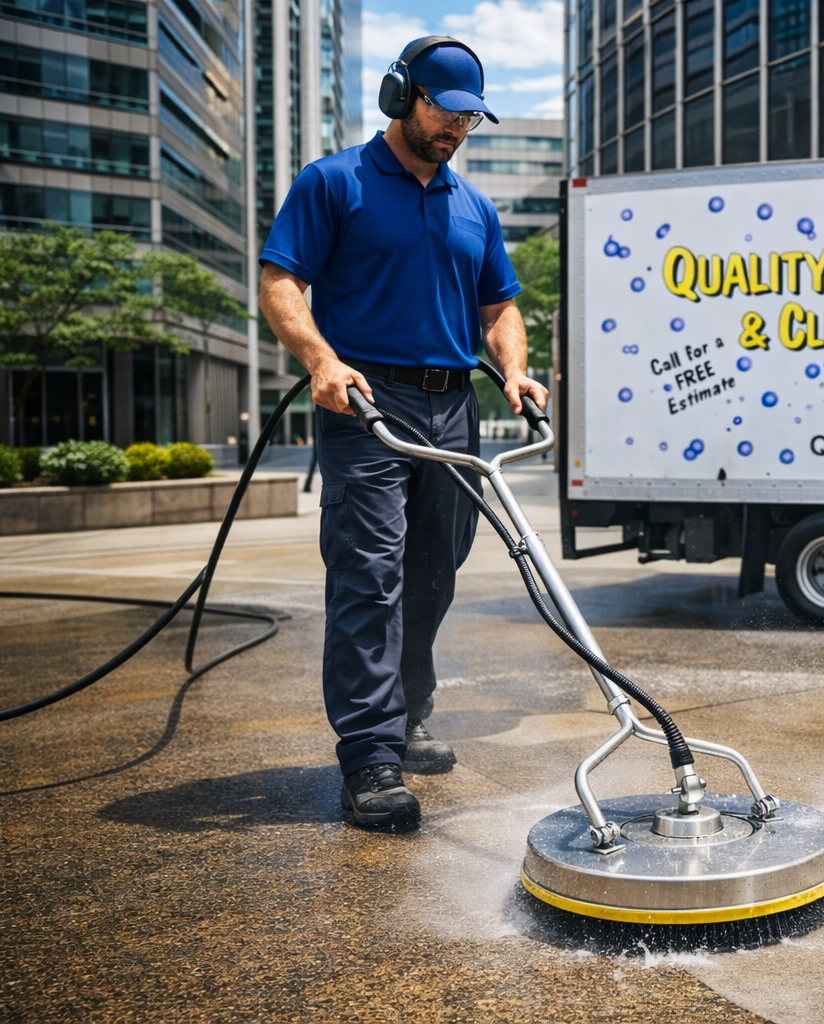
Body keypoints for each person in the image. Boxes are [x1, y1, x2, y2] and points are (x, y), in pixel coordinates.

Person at [258, 36, 547, 831]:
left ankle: (409, 712)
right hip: (365, 404)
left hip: (451, 407)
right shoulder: (334, 183)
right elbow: (281, 279)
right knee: (369, 575)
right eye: (446, 112)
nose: (457, 130)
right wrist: (319, 359)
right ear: (401, 96)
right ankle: (369, 758)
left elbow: (499, 308)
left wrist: (514, 370)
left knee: (433, 572)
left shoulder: (472, 206)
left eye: (470, 120)